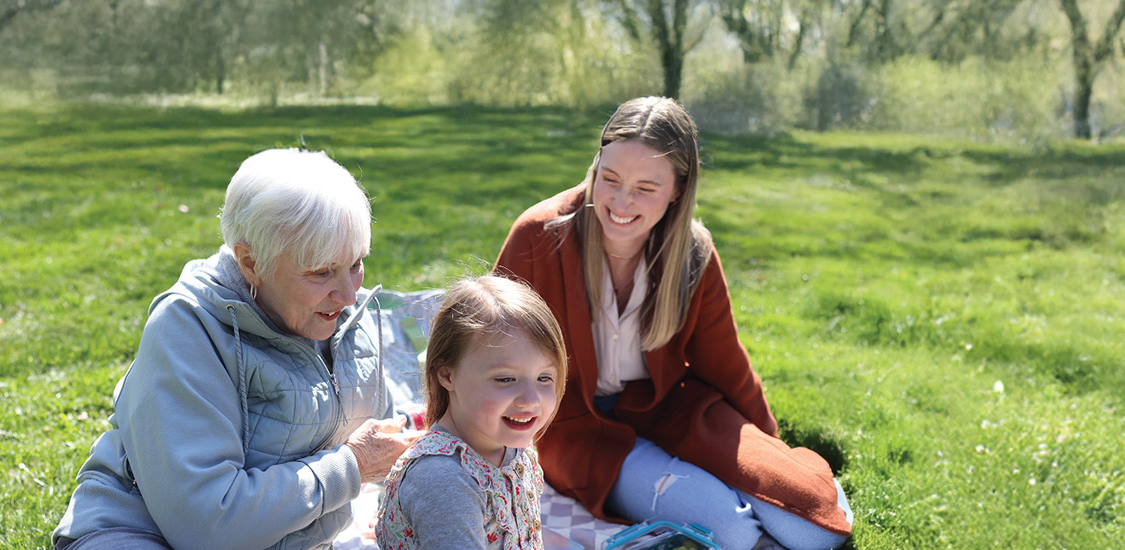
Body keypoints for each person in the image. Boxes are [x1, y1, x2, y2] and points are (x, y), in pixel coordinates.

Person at [492, 97, 852, 550]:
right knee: (734, 531)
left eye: (645, 188)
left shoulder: (693, 252)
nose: (621, 202)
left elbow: (726, 364)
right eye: (610, 178)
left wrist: (771, 451)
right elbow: (488, 347)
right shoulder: (539, 235)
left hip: (671, 409)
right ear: (596, 165)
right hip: (575, 428)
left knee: (815, 528)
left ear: (678, 190)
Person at [52, 149, 421, 550]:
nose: (349, 295)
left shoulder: (349, 318)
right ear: (251, 263)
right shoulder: (187, 329)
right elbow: (206, 524)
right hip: (142, 534)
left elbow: (389, 442)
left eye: (356, 264)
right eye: (320, 272)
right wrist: (352, 466)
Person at [376, 275, 567, 550]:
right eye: (505, 379)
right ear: (447, 375)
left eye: (544, 378)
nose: (529, 400)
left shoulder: (509, 442)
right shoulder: (444, 480)